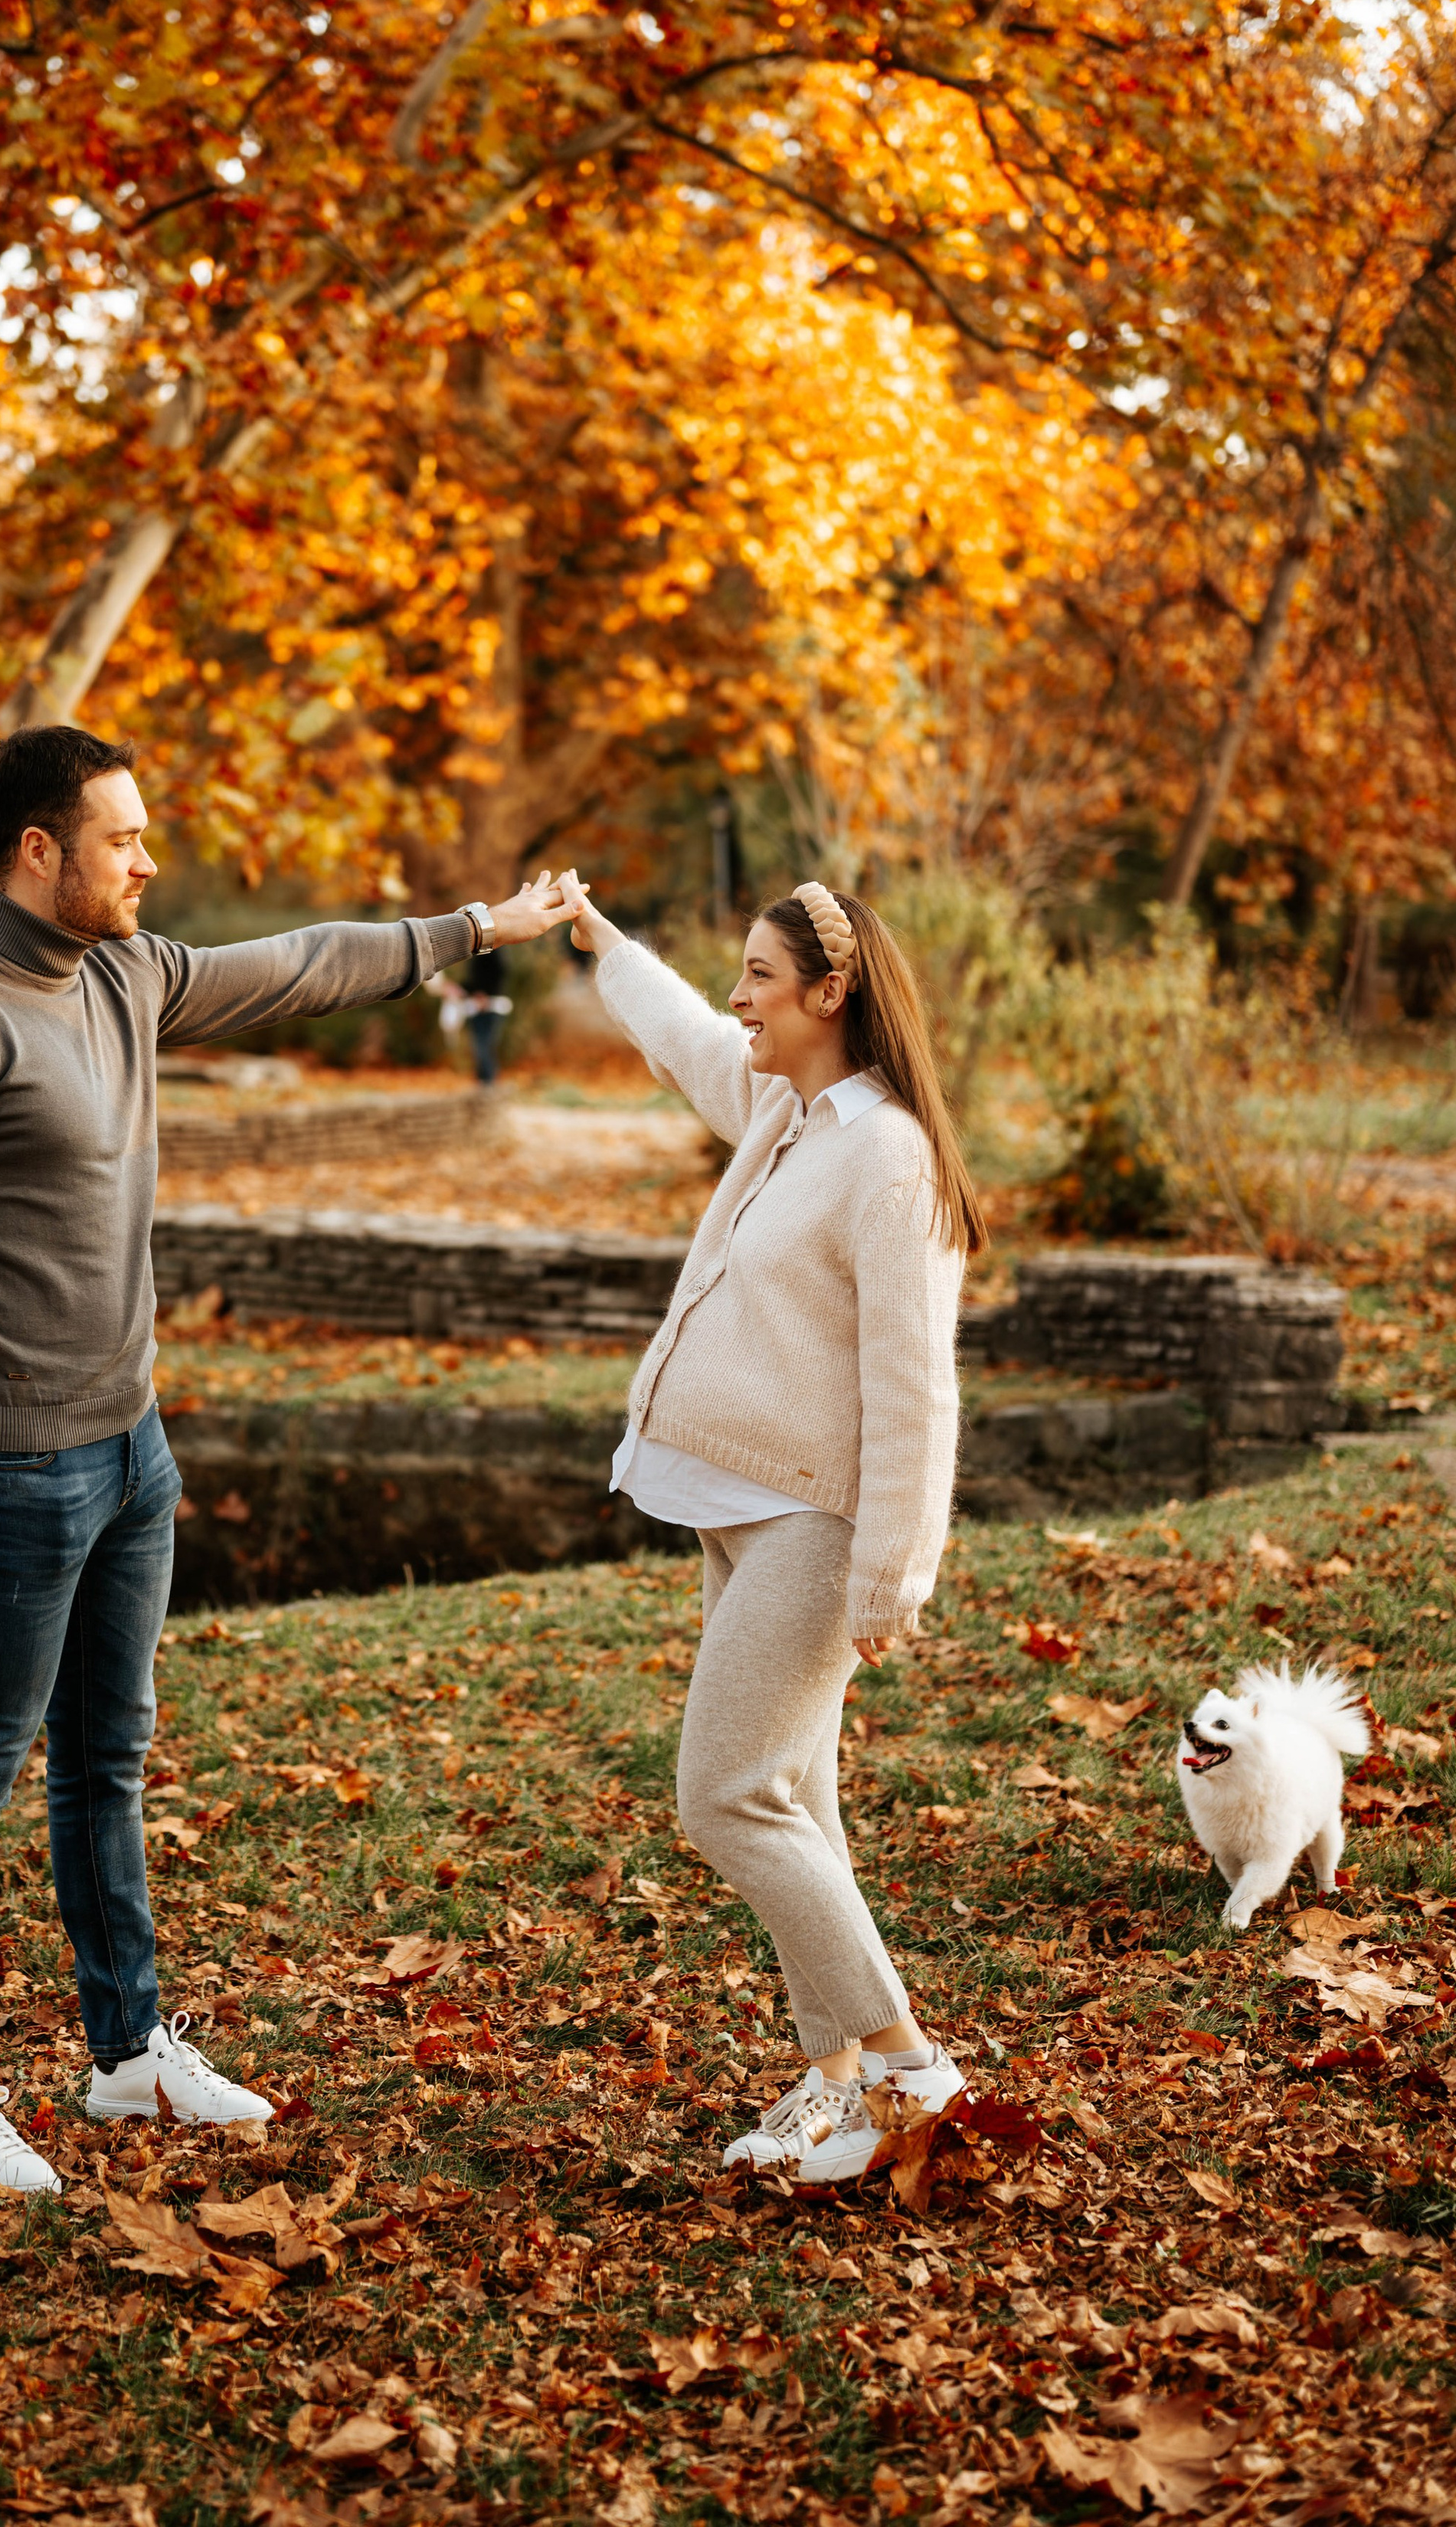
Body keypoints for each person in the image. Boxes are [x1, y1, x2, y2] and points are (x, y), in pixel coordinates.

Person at [0, 722, 578, 2193]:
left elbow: (300, 962)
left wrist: (474, 930)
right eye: (122, 838)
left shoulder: (123, 974)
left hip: (133, 1449)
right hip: (10, 1466)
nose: (149, 861)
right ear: (37, 851)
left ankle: (128, 2057)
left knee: (106, 1756)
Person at [558, 867, 984, 2182]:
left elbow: (915, 1381)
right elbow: (690, 1034)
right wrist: (599, 942)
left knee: (728, 1796)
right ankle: (838, 2081)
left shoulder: (887, 1155)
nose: (740, 998)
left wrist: (894, 1568)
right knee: (799, 1800)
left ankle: (908, 2063)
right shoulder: (787, 1112)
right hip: (737, 1507)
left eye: (760, 976)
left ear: (831, 992)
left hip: (817, 1520)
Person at [427, 942, 513, 1085]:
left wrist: (486, 994)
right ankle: (483, 1084)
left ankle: (488, 1086)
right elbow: (475, 981)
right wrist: (460, 988)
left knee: (484, 1047)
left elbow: (500, 972)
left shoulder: (494, 949)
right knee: (478, 1048)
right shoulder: (480, 951)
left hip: (489, 1006)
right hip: (476, 1006)